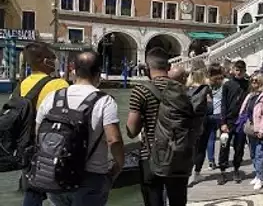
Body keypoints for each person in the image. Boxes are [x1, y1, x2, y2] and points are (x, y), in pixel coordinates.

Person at [37, 51, 124, 206]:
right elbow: (114, 139)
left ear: (73, 70)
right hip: (91, 176)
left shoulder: (52, 97)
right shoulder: (105, 101)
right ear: (98, 73)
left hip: (55, 174)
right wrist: (118, 165)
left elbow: (38, 133)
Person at [126, 47, 189, 206]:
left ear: (147, 68)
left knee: (153, 200)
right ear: (168, 68)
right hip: (178, 155)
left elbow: (131, 131)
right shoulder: (183, 90)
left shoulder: (140, 91)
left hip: (150, 156)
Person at [20, 42, 70, 206]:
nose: (55, 61)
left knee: (33, 191)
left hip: (26, 145)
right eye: (53, 58)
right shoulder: (58, 84)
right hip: (50, 148)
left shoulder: (24, 83)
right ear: (44, 61)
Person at [218, 60, 249, 185]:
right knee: (224, 145)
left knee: (239, 146)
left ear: (244, 71)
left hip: (241, 120)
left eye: (241, 70)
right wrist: (223, 122)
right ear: (233, 70)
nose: (239, 72)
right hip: (229, 119)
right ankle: (223, 171)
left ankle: (236, 168)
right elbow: (223, 104)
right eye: (237, 69)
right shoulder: (228, 85)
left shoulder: (248, 84)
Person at [238, 73, 263, 190]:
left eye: (256, 81)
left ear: (261, 82)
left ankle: (260, 177)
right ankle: (257, 174)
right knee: (252, 153)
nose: (253, 82)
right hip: (251, 128)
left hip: (260, 128)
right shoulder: (250, 95)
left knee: (259, 153)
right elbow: (245, 112)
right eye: (252, 80)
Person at [191, 64, 224, 180]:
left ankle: (187, 173)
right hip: (205, 121)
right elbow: (210, 108)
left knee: (191, 148)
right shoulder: (205, 89)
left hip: (190, 123)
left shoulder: (186, 89)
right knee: (201, 147)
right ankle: (197, 173)